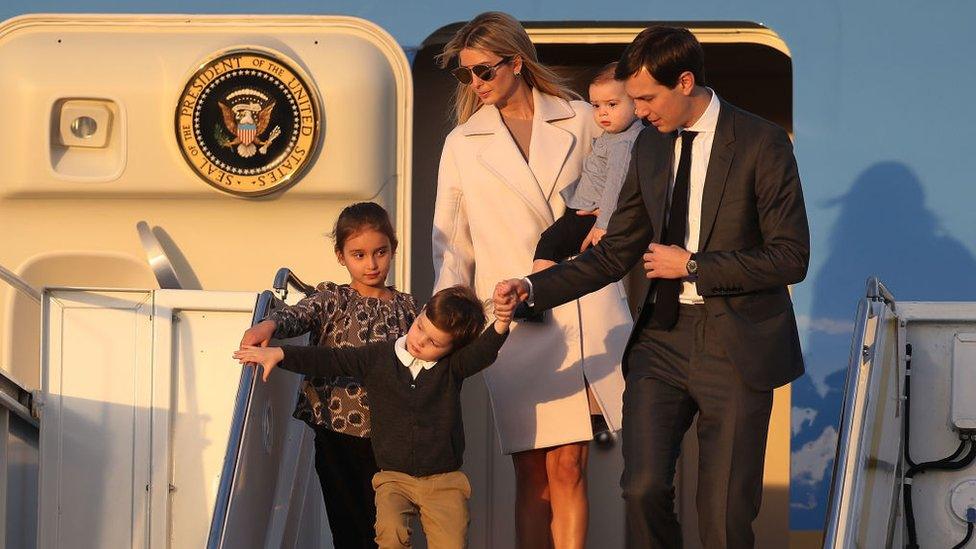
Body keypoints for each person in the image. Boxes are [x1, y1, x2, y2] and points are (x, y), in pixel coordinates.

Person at [498, 26, 810, 549]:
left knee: (724, 517)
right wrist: (532, 287)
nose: (638, 111)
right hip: (662, 341)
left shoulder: (761, 142)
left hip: (737, 344)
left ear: (684, 82)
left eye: (646, 97)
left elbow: (790, 257)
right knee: (641, 489)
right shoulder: (647, 146)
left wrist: (693, 267)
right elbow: (616, 252)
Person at [432, 11, 631, 549]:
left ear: (515, 62)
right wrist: (447, 322)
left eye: (483, 70)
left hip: (588, 308)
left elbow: (620, 200)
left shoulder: (583, 118)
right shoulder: (462, 143)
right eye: (465, 74)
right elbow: (451, 245)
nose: (474, 83)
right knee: (532, 474)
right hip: (514, 319)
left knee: (569, 466)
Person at [234, 285, 515, 549]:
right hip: (393, 478)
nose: (420, 341)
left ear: (452, 349)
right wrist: (280, 354)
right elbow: (331, 359)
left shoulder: (452, 368)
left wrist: (501, 323)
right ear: (420, 313)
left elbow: (483, 352)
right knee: (390, 534)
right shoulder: (379, 357)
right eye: (420, 327)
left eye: (434, 342)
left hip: (443, 480)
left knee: (451, 542)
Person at [238, 202, 417, 549]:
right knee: (347, 522)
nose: (371, 264)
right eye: (359, 255)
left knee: (388, 526)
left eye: (380, 252)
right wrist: (269, 323)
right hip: (336, 429)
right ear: (341, 256)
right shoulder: (333, 298)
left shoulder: (407, 307)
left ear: (393, 248)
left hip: (390, 434)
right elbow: (298, 315)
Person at [531, 62, 642, 272]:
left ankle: (534, 292)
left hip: (594, 215)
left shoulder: (624, 142)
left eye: (612, 104)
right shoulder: (615, 135)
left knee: (549, 243)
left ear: (636, 103)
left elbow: (615, 183)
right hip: (588, 210)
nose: (603, 113)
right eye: (596, 105)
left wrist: (604, 223)